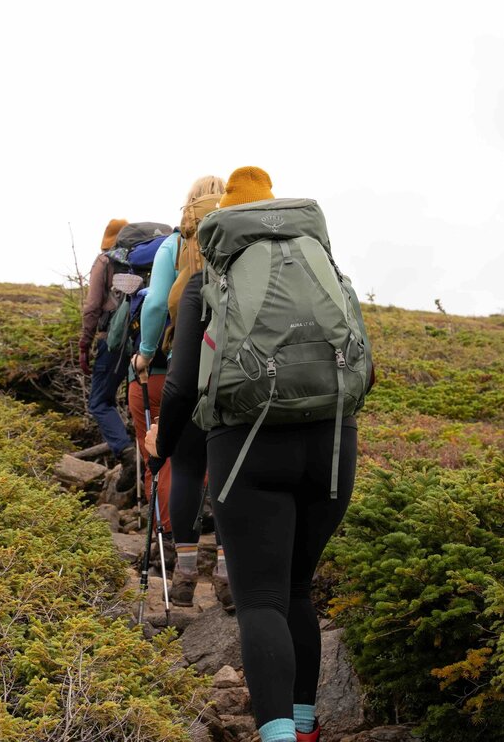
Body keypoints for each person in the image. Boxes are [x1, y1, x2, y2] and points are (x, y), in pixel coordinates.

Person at [146, 167, 366, 742]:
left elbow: (182, 385)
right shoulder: (323, 268)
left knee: (262, 600)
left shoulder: (208, 280)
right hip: (333, 442)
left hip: (247, 446)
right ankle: (305, 728)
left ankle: (275, 737)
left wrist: (159, 447)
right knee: (297, 591)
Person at [132, 175, 231, 610]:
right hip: (236, 370)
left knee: (187, 464)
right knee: (227, 471)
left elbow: (155, 304)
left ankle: (186, 572)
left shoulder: (175, 243)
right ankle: (228, 574)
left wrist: (146, 352)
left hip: (186, 365)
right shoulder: (240, 239)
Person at [79, 218, 134, 463]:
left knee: (100, 401)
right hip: (145, 339)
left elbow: (92, 307)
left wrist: (84, 344)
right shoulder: (143, 259)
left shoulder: (105, 261)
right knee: (137, 398)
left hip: (113, 340)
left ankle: (126, 452)